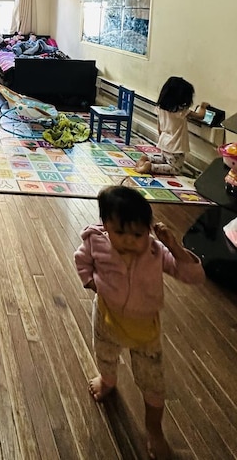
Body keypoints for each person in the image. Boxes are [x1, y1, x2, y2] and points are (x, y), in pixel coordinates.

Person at [74, 185, 205, 460]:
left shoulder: (155, 252)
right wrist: (89, 281)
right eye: (119, 233)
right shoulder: (95, 240)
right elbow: (82, 259)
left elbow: (193, 276)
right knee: (106, 357)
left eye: (138, 234)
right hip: (107, 319)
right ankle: (108, 381)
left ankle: (154, 431)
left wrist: (175, 246)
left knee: (154, 385)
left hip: (146, 332)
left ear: (148, 229)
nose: (130, 241)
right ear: (105, 226)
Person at [134, 76, 208, 176]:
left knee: (164, 160)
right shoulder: (181, 110)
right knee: (175, 168)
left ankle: (147, 159)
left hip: (164, 140)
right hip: (176, 145)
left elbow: (159, 125)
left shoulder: (160, 108)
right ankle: (150, 167)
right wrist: (203, 107)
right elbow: (200, 116)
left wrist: (161, 137)